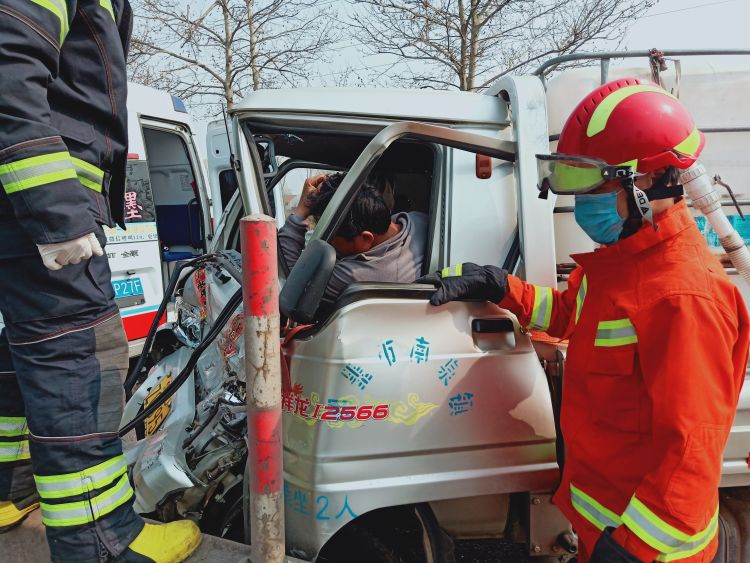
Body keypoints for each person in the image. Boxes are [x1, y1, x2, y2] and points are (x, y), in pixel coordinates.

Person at [420, 78, 749, 563]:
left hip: (649, 546)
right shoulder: (622, 262)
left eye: (594, 181)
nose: (583, 199)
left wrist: (633, 551)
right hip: (605, 520)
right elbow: (573, 315)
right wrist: (501, 287)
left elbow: (691, 450)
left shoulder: (684, 296)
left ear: (649, 182)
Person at [0, 1, 200, 561]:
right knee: (79, 362)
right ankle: (102, 545)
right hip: (42, 214)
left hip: (17, 214)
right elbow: (8, 66)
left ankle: (7, 493)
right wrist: (56, 209)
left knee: (19, 359)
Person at [279, 172, 429, 302]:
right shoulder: (420, 221)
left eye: (332, 238)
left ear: (366, 239)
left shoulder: (356, 275)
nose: (329, 242)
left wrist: (301, 211)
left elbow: (295, 286)